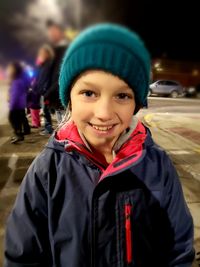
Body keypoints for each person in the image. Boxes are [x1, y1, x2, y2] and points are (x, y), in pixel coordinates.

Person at [4, 23, 195, 266]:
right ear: (69, 99)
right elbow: (23, 255)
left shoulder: (158, 166)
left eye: (122, 96)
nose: (104, 113)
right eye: (89, 93)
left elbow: (178, 249)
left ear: (136, 104)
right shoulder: (47, 171)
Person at [43, 20, 68, 126]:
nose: (51, 34)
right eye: (49, 31)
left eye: (54, 30)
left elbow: (62, 75)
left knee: (65, 129)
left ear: (61, 31)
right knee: (61, 126)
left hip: (62, 99)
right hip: (56, 100)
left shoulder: (66, 50)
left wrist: (48, 93)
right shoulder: (55, 50)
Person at [31, 44, 55, 133]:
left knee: (46, 110)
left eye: (42, 53)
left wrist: (46, 90)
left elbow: (48, 78)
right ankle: (47, 127)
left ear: (47, 54)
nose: (40, 55)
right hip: (42, 91)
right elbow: (38, 77)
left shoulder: (49, 64)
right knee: (45, 110)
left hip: (46, 91)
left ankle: (48, 128)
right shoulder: (42, 65)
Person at [6, 61, 30, 144]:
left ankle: (18, 135)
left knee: (13, 119)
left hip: (16, 105)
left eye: (10, 69)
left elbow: (15, 95)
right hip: (19, 104)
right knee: (18, 119)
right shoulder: (18, 79)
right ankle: (19, 134)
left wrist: (12, 105)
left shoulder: (17, 81)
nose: (8, 71)